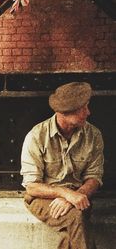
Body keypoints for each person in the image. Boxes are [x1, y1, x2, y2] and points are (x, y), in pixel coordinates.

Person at [20, 82, 104, 249]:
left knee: (73, 228)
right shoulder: (36, 136)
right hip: (42, 198)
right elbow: (32, 187)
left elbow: (94, 177)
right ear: (63, 113)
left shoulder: (93, 135)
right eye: (83, 109)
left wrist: (76, 195)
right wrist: (66, 194)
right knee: (76, 217)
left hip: (80, 197)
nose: (88, 112)